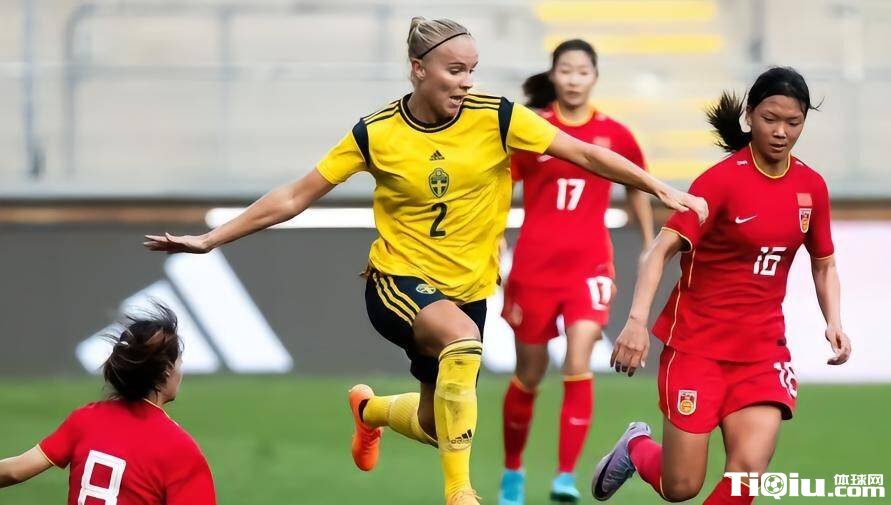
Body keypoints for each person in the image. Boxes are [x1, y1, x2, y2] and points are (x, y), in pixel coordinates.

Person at [143, 17, 706, 505]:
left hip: (468, 290)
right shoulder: (376, 133)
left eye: (472, 70)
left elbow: (583, 152)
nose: (467, 81)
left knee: (441, 424)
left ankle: (369, 413)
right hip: (397, 282)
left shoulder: (497, 117)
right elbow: (295, 196)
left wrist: (658, 186)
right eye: (455, 70)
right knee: (463, 342)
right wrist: (212, 239)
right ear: (418, 69)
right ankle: (460, 492)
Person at [591, 67, 852, 504]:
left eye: (794, 122)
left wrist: (835, 321)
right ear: (750, 116)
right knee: (681, 487)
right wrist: (636, 322)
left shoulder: (811, 188)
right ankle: (636, 447)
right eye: (770, 119)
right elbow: (659, 251)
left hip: (762, 352)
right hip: (697, 348)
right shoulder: (721, 181)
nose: (782, 132)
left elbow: (823, 264)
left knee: (747, 475)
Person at [498, 39, 653, 505]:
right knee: (529, 373)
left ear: (594, 77)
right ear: (554, 75)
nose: (573, 79)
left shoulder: (615, 134)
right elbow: (499, 183)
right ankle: (512, 471)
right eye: (565, 70)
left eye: (582, 71)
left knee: (579, 358)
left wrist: (649, 241)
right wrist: (494, 235)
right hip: (534, 268)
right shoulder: (533, 130)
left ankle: (565, 476)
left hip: (589, 265)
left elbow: (637, 183)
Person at [0, 304, 216, 504]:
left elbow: (14, 471)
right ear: (167, 370)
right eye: (179, 361)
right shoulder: (180, 450)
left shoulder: (85, 420)